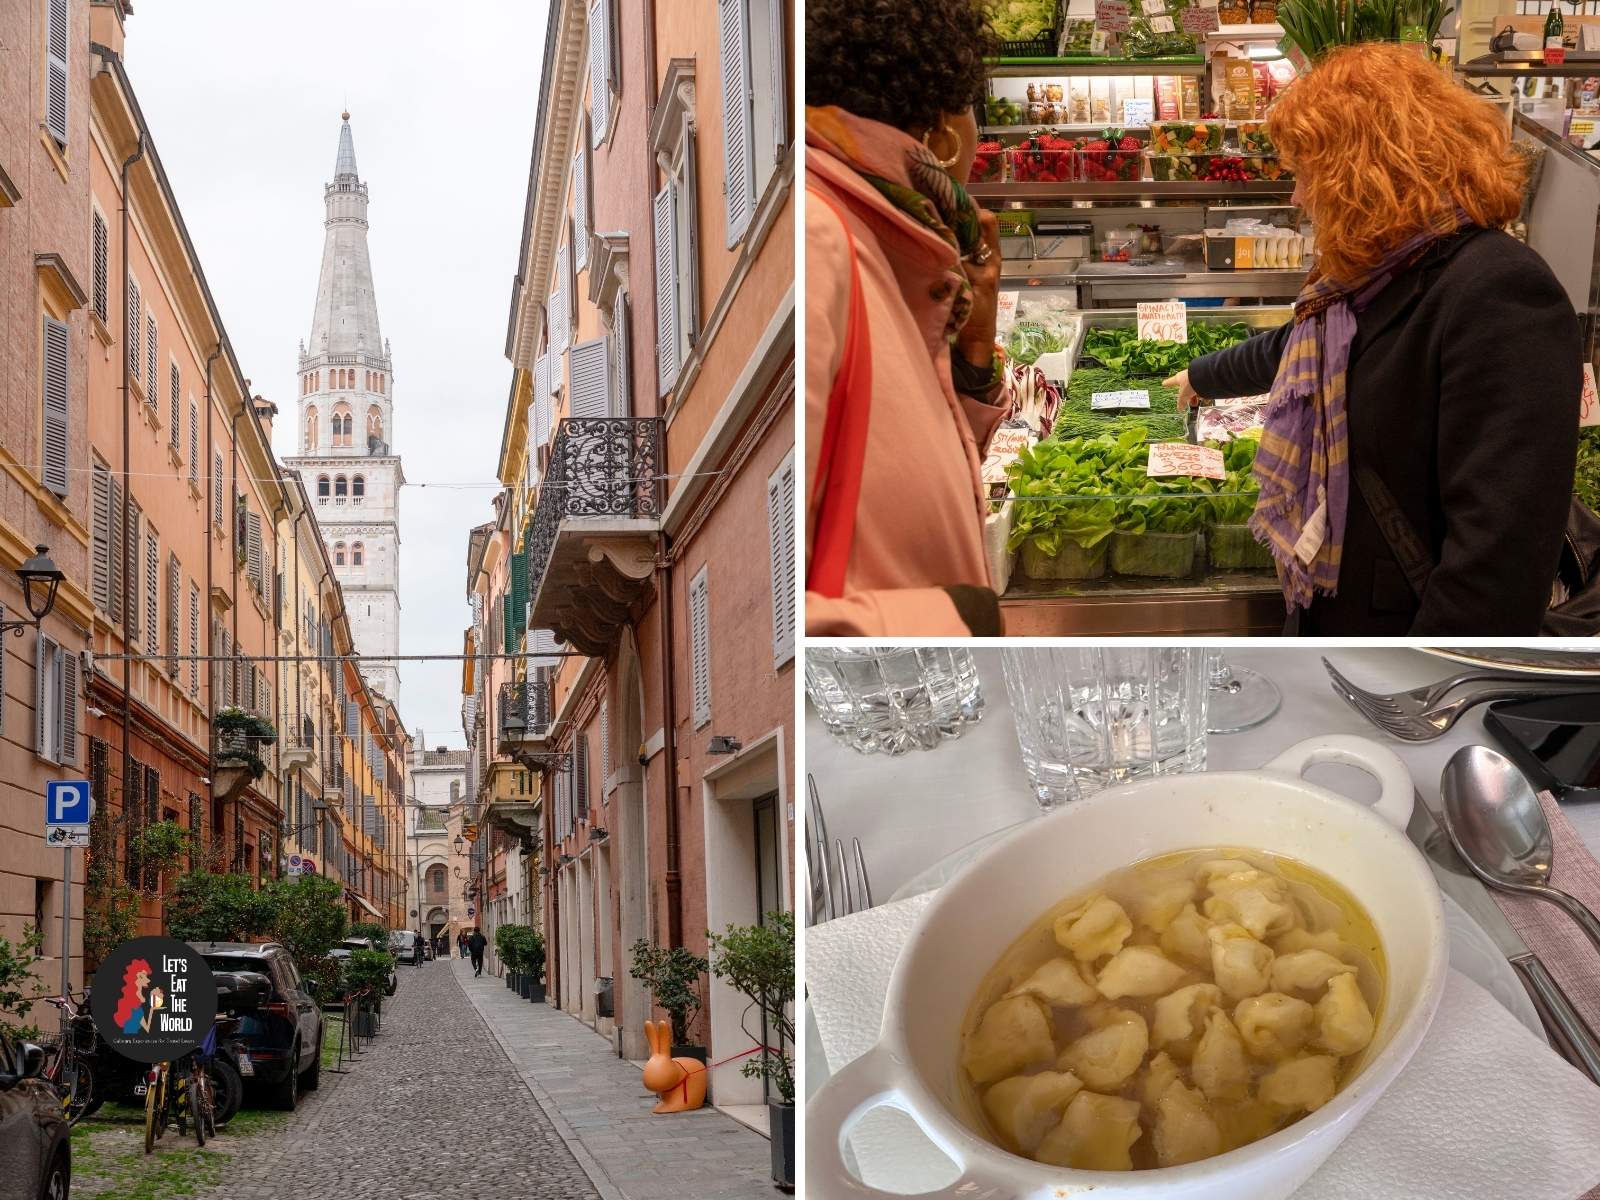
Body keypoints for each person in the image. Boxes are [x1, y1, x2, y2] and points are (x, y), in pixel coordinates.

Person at [1166, 44, 1579, 635]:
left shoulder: (1500, 293)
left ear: (1366, 170)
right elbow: (1302, 346)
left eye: (1308, 175)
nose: (1298, 199)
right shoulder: (1376, 277)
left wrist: (1419, 702)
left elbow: (1498, 562)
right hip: (1342, 626)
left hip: (1406, 661)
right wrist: (1202, 376)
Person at [805, 0, 1010, 637]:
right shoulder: (821, 238)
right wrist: (958, 616)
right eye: (974, 110)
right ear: (944, 131)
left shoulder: (895, 235)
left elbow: (891, 467)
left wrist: (973, 355)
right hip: (885, 700)